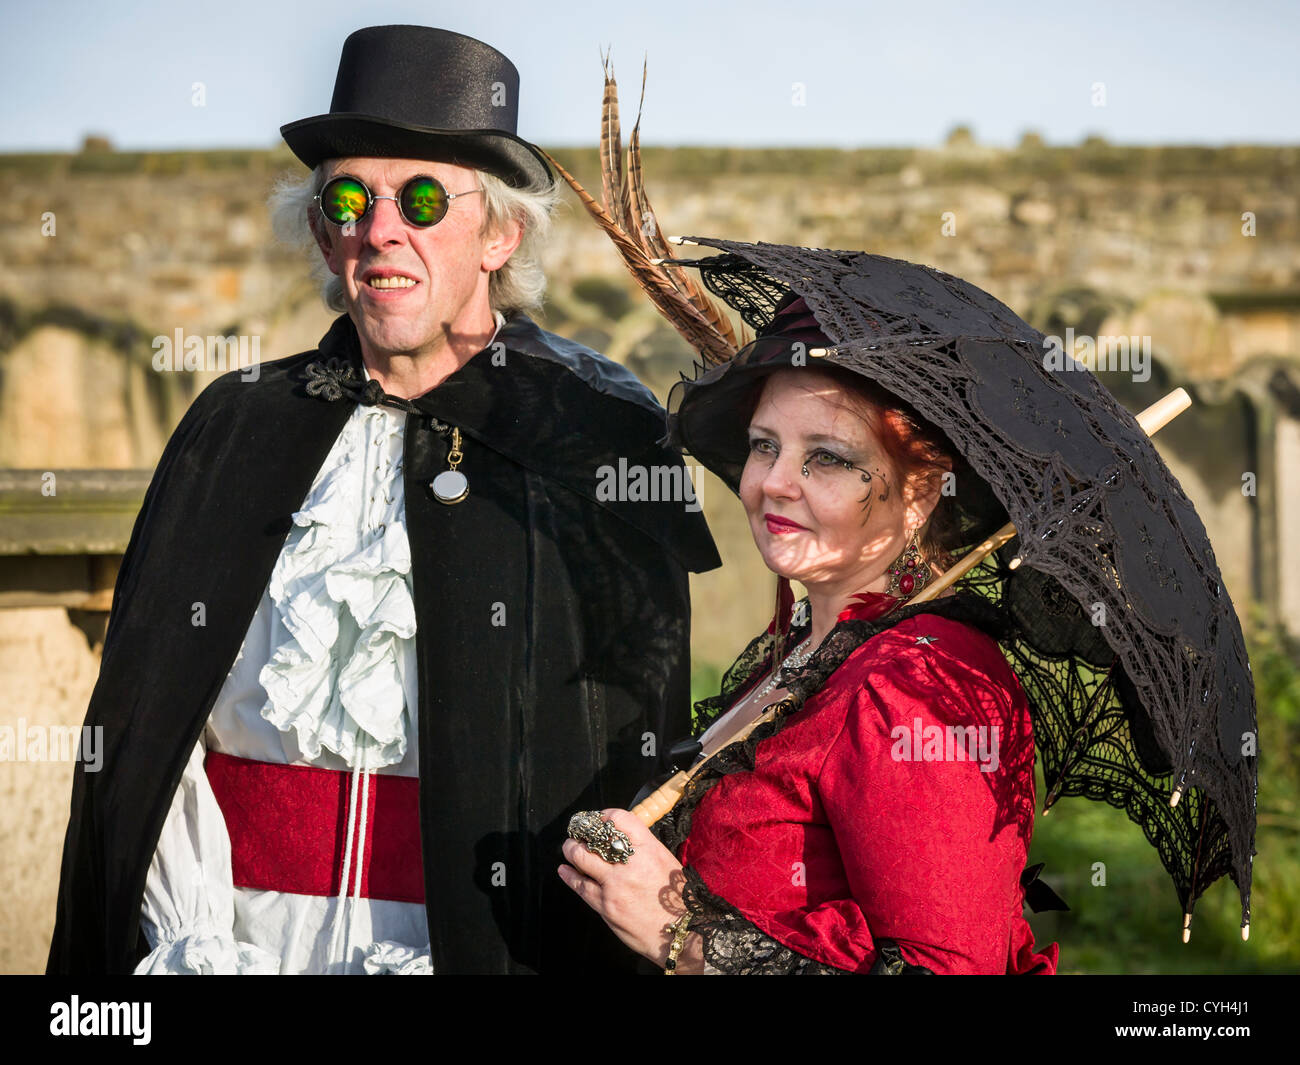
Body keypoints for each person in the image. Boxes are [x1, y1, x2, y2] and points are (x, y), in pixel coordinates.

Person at [46, 25, 719, 975]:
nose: (382, 228)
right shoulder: (233, 427)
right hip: (235, 942)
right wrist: (194, 944)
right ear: (323, 233)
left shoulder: (590, 433)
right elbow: (150, 738)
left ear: (501, 233)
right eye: (351, 197)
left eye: (426, 197)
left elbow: (626, 755)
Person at [559, 294, 1059, 974]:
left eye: (825, 457)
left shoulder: (915, 688)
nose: (772, 482)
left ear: (919, 491)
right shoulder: (810, 648)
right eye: (765, 445)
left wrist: (679, 934)